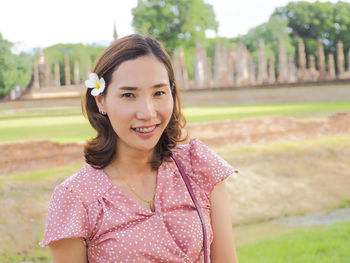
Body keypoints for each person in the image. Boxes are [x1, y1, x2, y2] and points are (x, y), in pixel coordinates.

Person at [39, 34, 239, 263]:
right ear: (101, 100)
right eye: (128, 95)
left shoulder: (197, 166)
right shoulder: (76, 198)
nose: (147, 113)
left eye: (159, 93)